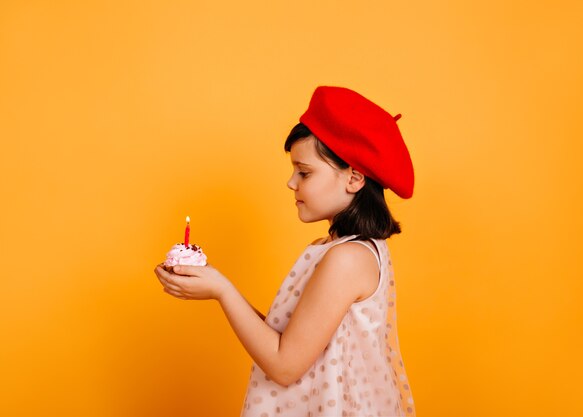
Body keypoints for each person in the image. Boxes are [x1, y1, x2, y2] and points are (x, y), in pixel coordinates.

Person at [154, 86, 416, 417]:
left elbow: (284, 366)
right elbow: (288, 341)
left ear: (354, 178)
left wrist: (221, 289)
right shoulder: (333, 250)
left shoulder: (348, 259)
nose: (291, 182)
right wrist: (214, 287)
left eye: (304, 172)